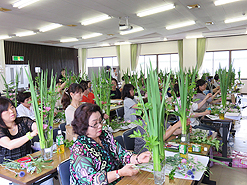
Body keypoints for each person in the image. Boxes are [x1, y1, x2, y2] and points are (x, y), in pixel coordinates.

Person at [70, 103, 151, 185]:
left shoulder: (105, 135)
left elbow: (121, 154)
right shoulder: (79, 149)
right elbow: (92, 180)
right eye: (95, 124)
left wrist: (137, 158)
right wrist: (119, 173)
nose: (100, 126)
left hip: (116, 180)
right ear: (83, 126)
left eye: (100, 121)